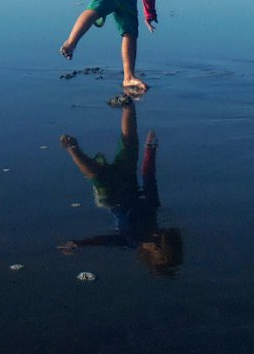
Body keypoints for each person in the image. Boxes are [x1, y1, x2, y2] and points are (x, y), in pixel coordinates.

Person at [57, 104, 183, 276]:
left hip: (111, 199)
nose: (158, 245)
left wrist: (80, 243)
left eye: (158, 253)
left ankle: (73, 149)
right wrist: (150, 149)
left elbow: (105, 241)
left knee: (98, 175)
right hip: (128, 182)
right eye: (163, 247)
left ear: (149, 256)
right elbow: (148, 178)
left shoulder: (131, 240)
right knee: (130, 145)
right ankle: (128, 105)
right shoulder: (153, 212)